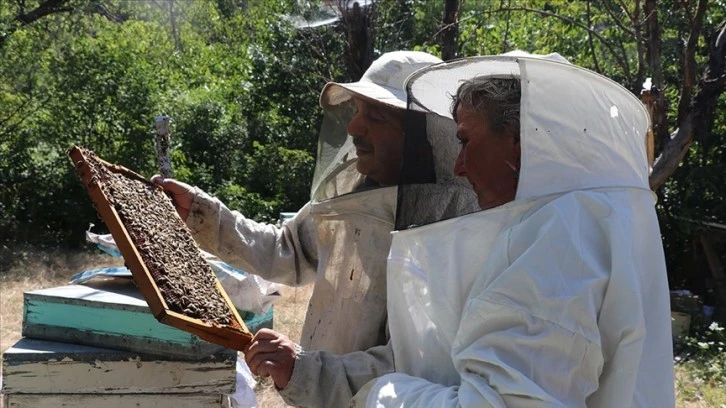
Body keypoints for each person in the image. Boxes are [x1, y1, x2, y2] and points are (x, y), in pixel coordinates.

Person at [247, 54, 675, 407]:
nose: (458, 165)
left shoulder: (554, 247)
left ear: (523, 140)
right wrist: (311, 373)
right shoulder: (595, 223)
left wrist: (381, 394)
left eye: (466, 141)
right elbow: (436, 358)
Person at [153, 52, 445, 353]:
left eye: (375, 115)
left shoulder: (449, 229)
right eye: (357, 111)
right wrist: (203, 215)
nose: (353, 128)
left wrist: (305, 371)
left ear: (423, 133)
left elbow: (411, 364)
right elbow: (288, 249)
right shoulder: (351, 193)